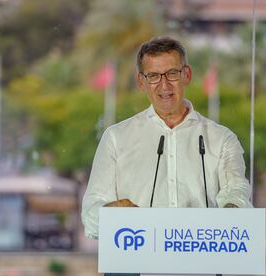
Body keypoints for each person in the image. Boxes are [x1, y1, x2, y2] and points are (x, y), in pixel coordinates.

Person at [82, 36, 252, 240]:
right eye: (153, 76)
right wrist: (112, 211)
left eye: (172, 74)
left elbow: (237, 193)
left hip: (200, 263)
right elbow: (91, 216)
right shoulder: (116, 138)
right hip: (134, 266)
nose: (164, 85)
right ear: (141, 82)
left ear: (186, 75)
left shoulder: (222, 139)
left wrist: (231, 211)